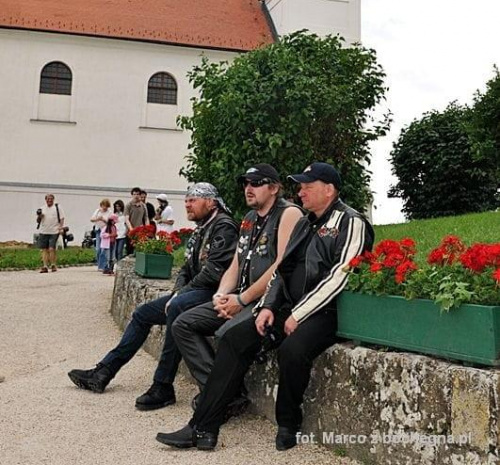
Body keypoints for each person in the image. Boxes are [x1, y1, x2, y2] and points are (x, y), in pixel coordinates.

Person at [156, 162, 374, 452]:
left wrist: (298, 314)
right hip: (290, 307)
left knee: (292, 350)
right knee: (234, 339)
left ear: (329, 189)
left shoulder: (350, 222)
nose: (301, 191)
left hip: (327, 311)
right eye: (300, 185)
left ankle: (288, 423)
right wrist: (269, 306)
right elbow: (283, 270)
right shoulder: (307, 222)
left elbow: (341, 276)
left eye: (307, 186)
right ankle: (202, 427)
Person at [68, 182, 239, 411]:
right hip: (195, 291)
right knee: (142, 314)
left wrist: (180, 294)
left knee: (177, 307)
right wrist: (179, 290)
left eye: (193, 200)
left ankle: (162, 386)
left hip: (216, 293)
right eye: (186, 199)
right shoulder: (203, 226)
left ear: (211, 202)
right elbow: (187, 269)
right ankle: (104, 371)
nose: (187, 204)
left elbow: (214, 272)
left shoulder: (224, 227)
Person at [166, 164, 303, 414]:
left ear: (274, 188)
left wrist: (242, 299)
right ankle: (224, 395)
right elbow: (236, 263)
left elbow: (280, 267)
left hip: (269, 303)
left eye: (256, 183)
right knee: (183, 323)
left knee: (226, 334)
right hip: (241, 297)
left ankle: (217, 398)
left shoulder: (288, 213)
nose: (248, 189)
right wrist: (221, 295)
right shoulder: (250, 219)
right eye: (246, 184)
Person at [37, 193, 65, 273]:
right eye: (48, 199)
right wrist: (40, 216)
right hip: (44, 231)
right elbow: (38, 221)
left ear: (53, 199)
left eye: (51, 199)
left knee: (51, 248)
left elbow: (62, 218)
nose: (49, 200)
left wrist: (61, 227)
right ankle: (45, 266)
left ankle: (53, 265)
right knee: (44, 249)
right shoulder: (42, 208)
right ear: (45, 200)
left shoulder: (57, 207)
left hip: (54, 231)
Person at [90, 199, 114, 271]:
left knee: (104, 248)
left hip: (105, 231)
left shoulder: (110, 212)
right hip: (98, 230)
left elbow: (111, 222)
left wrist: (104, 220)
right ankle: (99, 263)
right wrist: (98, 218)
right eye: (103, 206)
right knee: (98, 249)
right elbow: (91, 219)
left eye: (106, 206)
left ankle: (103, 265)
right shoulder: (97, 211)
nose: (104, 207)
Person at [124, 187, 148, 253]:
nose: (136, 196)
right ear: (132, 195)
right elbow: (126, 219)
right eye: (134, 194)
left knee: (140, 249)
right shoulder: (128, 205)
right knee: (129, 249)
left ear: (140, 195)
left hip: (140, 230)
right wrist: (131, 229)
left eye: (137, 194)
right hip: (130, 231)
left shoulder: (143, 206)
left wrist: (147, 228)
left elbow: (146, 218)